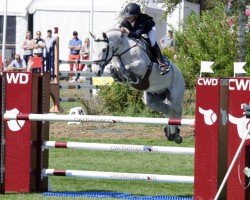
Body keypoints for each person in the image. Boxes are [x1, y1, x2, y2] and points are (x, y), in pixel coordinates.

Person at [120, 3, 169, 75]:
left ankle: (162, 63)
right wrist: (121, 27)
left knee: (151, 42)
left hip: (149, 29)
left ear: (135, 16)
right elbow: (121, 26)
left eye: (129, 16)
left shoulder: (141, 20)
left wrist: (127, 31)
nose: (127, 18)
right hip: (137, 30)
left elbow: (137, 35)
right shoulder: (126, 20)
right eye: (127, 16)